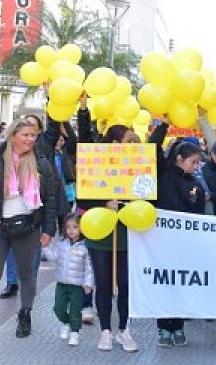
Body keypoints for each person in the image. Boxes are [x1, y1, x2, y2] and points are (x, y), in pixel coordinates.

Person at [0, 118, 61, 346]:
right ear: (13, 136)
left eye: (33, 135)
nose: (30, 139)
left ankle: (25, 314)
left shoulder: (41, 163)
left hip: (28, 226)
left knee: (26, 274)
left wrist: (49, 228)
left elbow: (50, 198)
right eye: (25, 135)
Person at [76, 98, 140, 352]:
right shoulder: (96, 164)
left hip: (127, 235)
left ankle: (124, 329)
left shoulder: (139, 167)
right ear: (114, 144)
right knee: (103, 284)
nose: (133, 145)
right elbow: (83, 198)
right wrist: (104, 203)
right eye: (128, 141)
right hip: (100, 232)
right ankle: (105, 330)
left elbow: (146, 197)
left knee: (125, 285)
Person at [150, 121, 205, 347]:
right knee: (164, 282)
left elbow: (199, 216)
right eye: (193, 162)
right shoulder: (163, 173)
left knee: (181, 283)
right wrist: (164, 124)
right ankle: (164, 327)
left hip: (184, 244)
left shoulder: (196, 185)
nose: (195, 167)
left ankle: (178, 325)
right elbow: (152, 148)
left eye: (198, 163)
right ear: (179, 159)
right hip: (161, 241)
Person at [0, 112, 62, 299]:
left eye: (33, 129)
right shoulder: (6, 155)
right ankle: (12, 282)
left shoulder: (44, 146)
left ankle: (29, 284)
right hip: (12, 213)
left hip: (35, 211)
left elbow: (49, 197)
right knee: (11, 249)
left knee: (33, 251)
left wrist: (54, 101)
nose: (29, 136)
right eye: (25, 131)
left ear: (39, 130)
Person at [42, 213, 95, 347]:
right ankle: (66, 323)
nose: (71, 230)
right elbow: (54, 257)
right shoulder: (61, 244)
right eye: (68, 227)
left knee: (75, 311)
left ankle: (75, 332)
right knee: (58, 308)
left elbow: (89, 268)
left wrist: (88, 283)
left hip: (77, 286)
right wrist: (46, 247)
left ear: (82, 229)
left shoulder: (85, 247)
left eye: (75, 227)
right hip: (62, 284)